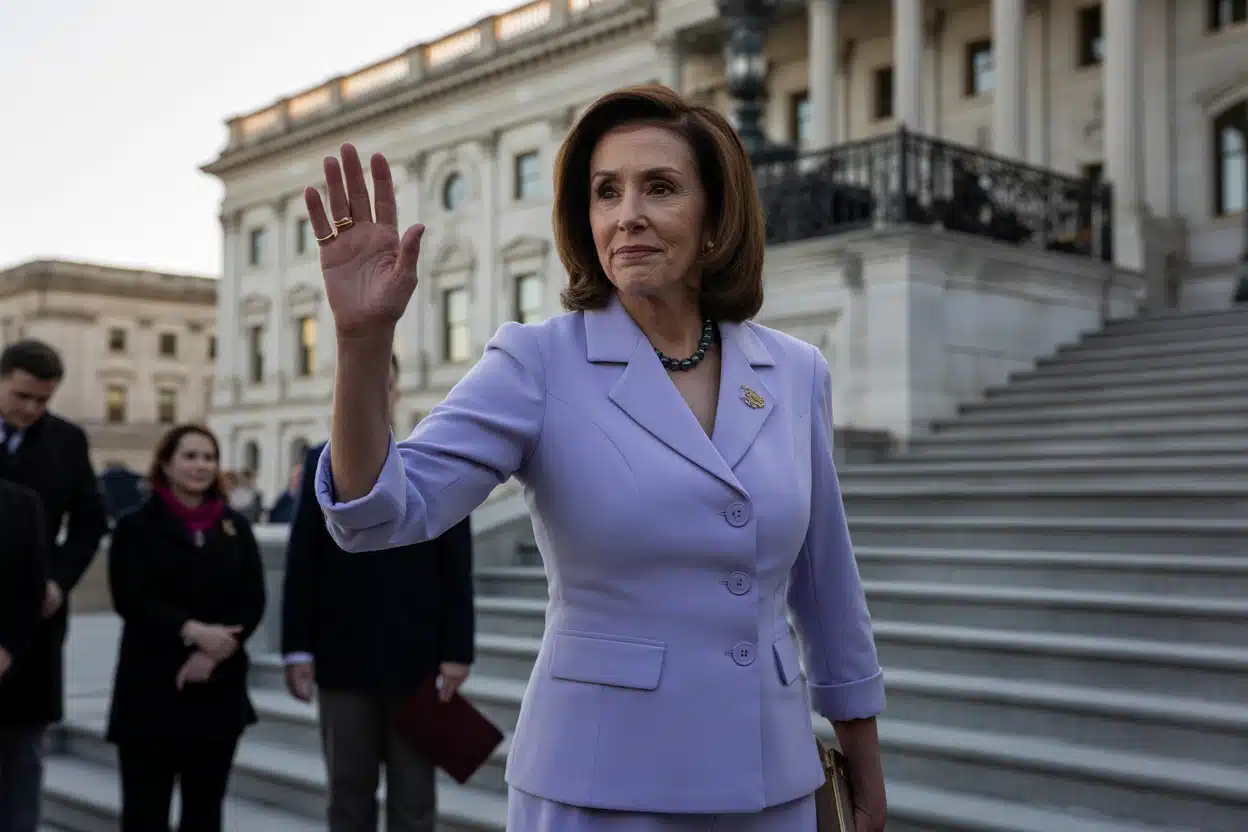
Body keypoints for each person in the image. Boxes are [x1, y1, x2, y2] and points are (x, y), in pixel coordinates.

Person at [304, 84, 887, 831]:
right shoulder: (536, 361)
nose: (627, 213)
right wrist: (361, 344)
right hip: (598, 788)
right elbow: (378, 514)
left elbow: (828, 587)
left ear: (717, 218)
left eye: (661, 188)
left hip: (771, 783)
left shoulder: (798, 370)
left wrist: (863, 767)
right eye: (605, 192)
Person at [281, 352, 474, 832]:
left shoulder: (430, 462)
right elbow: (301, 562)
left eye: (380, 384)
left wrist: (457, 652)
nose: (370, 394)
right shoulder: (318, 465)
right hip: (342, 662)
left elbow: (456, 568)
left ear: (396, 393)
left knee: (414, 800)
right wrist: (296, 648)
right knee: (347, 796)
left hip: (418, 663)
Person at [105, 424, 267, 832]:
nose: (201, 465)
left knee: (205, 811)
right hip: (152, 687)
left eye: (209, 457)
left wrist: (212, 652)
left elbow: (253, 600)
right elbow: (131, 599)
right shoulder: (134, 527)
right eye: (190, 456)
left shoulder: (235, 527)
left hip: (218, 689)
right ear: (165, 463)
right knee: (145, 812)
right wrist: (191, 630)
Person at [0, 339, 109, 831]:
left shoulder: (67, 440)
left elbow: (89, 522)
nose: (32, 409)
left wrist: (59, 581)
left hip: (35, 620)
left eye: (43, 400)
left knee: (23, 752)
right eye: (22, 396)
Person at [0, 480, 49, 832]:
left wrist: (6, 648)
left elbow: (33, 587)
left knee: (18, 777)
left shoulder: (22, 503)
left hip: (13, 672)